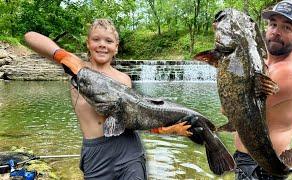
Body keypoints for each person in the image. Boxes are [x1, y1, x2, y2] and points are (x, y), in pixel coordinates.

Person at [24, 19, 191, 179]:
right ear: (88, 43)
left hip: (129, 151)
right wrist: (62, 55)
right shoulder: (77, 69)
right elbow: (30, 37)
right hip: (96, 154)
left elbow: (133, 119)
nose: (102, 44)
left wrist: (167, 130)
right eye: (96, 39)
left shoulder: (124, 79)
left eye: (109, 41)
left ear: (116, 47)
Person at [233, 0, 292, 179]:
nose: (276, 32)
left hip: (262, 168)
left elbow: (233, 109)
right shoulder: (266, 62)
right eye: (273, 24)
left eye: (287, 28)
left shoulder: (289, 72)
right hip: (251, 161)